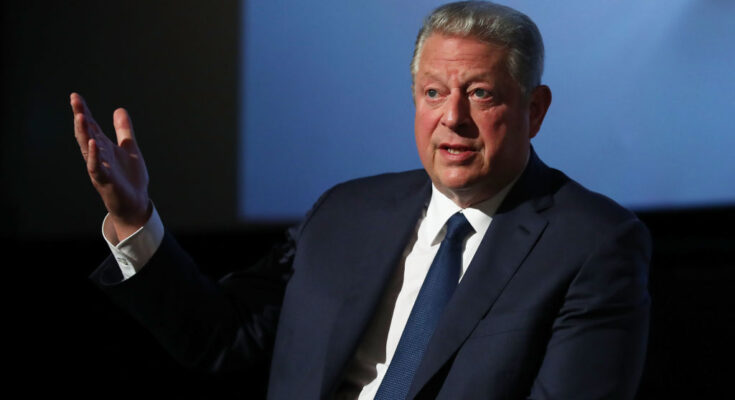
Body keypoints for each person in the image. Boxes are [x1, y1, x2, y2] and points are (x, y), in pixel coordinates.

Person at [72, 1, 651, 399]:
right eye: (433, 92)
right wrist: (133, 217)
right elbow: (221, 336)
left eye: (480, 94)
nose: (453, 117)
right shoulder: (344, 213)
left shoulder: (591, 244)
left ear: (535, 109)